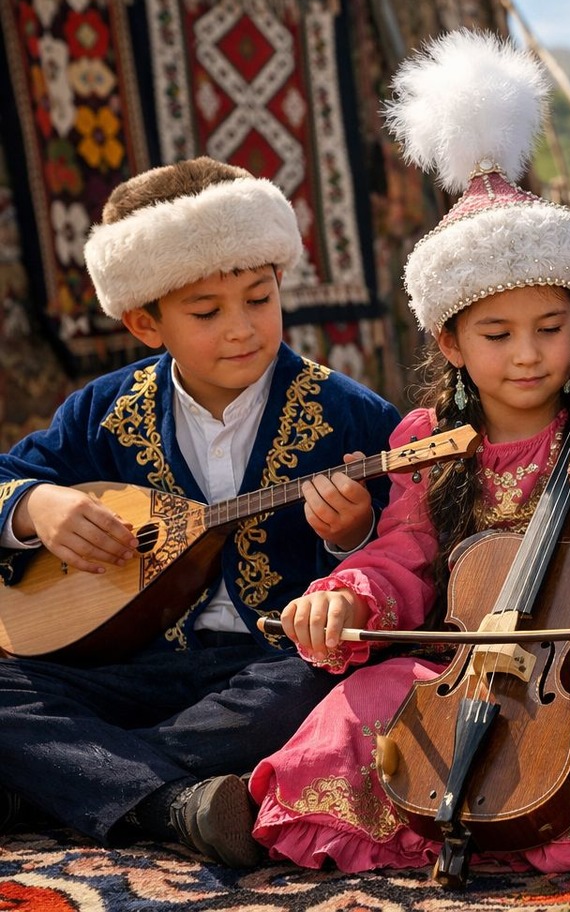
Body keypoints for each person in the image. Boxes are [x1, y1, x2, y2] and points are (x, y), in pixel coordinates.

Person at [248, 29, 570, 876]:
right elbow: (404, 551)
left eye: (551, 329)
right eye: (497, 333)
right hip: (454, 671)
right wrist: (345, 591)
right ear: (449, 341)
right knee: (359, 701)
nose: (528, 354)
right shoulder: (425, 441)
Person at [0, 156, 401, 867]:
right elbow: (7, 479)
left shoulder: (350, 416)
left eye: (259, 297)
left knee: (328, 687)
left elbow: (408, 548)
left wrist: (352, 538)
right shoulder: (103, 411)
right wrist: (38, 505)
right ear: (145, 322)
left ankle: (65, 781)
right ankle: (173, 804)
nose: (243, 328)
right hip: (125, 663)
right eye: (207, 312)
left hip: (265, 668)